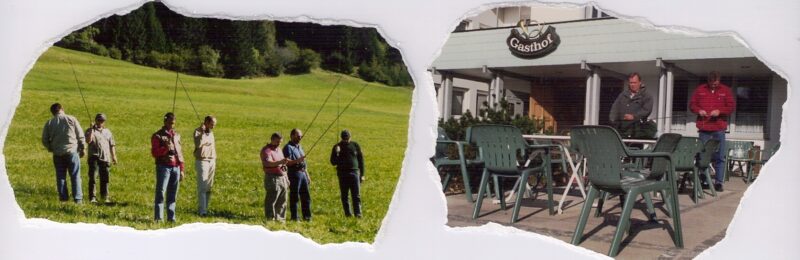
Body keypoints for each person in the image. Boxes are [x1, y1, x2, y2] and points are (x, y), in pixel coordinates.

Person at [690, 71, 735, 192]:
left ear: (719, 80)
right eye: (711, 83)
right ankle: (704, 180)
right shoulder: (700, 89)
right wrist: (699, 110)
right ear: (708, 80)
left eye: (715, 83)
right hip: (704, 129)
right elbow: (692, 105)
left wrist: (720, 111)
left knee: (719, 156)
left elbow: (731, 107)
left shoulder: (726, 90)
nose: (713, 85)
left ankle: (719, 182)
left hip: (719, 128)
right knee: (703, 156)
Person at [41, 103, 85, 203]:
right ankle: (78, 200)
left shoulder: (49, 122)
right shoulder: (71, 119)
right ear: (62, 109)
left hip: (57, 154)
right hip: (72, 152)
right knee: (75, 176)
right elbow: (80, 135)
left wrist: (50, 148)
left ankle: (63, 199)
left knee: (60, 177)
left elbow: (44, 139)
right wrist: (83, 148)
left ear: (52, 112)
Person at [151, 112, 184, 222]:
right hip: (163, 167)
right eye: (169, 122)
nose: (171, 125)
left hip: (176, 168)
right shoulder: (157, 136)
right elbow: (155, 153)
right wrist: (165, 148)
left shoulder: (177, 135)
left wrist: (182, 168)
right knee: (161, 192)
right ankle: (158, 218)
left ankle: (171, 218)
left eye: (173, 123)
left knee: (173, 194)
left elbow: (180, 153)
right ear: (165, 121)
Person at [330, 129, 365, 218]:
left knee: (356, 195)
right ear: (342, 138)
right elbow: (333, 162)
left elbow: (361, 160)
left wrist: (362, 174)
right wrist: (337, 153)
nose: (346, 140)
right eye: (344, 138)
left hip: (355, 173)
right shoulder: (337, 147)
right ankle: (348, 214)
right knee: (345, 195)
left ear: (350, 137)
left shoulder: (355, 145)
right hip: (342, 174)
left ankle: (358, 213)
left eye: (347, 138)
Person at [609, 72, 655, 139]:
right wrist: (612, 120)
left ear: (640, 82)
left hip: (637, 132)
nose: (632, 85)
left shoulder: (647, 96)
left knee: (635, 149)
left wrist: (634, 117)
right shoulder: (623, 95)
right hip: (621, 131)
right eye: (631, 82)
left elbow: (646, 110)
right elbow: (615, 108)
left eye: (635, 82)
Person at [84, 113, 117, 203]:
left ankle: (105, 197)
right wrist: (91, 129)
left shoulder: (108, 132)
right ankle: (92, 197)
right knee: (93, 178)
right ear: (95, 120)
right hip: (94, 156)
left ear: (104, 122)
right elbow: (88, 140)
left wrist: (114, 156)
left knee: (105, 178)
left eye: (102, 121)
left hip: (105, 157)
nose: (100, 122)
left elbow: (112, 144)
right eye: (99, 120)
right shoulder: (90, 130)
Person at [283, 128, 310, 221]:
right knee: (295, 196)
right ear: (292, 135)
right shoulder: (287, 147)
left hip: (303, 174)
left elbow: (304, 162)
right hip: (294, 173)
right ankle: (295, 217)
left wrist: (307, 175)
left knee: (306, 196)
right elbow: (287, 162)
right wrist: (298, 160)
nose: (300, 138)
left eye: (301, 136)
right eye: (298, 136)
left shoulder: (300, 147)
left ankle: (307, 217)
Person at [261, 132, 289, 222]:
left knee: (283, 200)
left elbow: (282, 164)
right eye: (277, 142)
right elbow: (267, 163)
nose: (278, 144)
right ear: (272, 140)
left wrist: (286, 177)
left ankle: (280, 219)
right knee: (272, 199)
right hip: (272, 178)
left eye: (280, 142)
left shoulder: (279, 150)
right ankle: (270, 219)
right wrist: (280, 162)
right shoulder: (266, 150)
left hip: (282, 177)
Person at [193, 115, 217, 216]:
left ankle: (205, 209)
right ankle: (202, 211)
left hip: (212, 160)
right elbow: (198, 144)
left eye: (214, 124)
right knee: (202, 186)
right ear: (206, 122)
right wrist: (202, 132)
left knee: (209, 187)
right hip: (202, 161)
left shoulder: (211, 133)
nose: (213, 126)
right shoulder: (197, 131)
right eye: (212, 124)